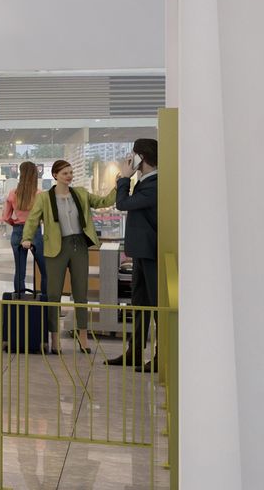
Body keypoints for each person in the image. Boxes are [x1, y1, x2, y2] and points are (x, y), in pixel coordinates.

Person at [20, 159, 99, 354]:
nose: (69, 176)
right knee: (54, 294)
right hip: (56, 247)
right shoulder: (45, 198)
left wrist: (119, 184)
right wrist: (27, 238)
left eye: (71, 172)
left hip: (79, 245)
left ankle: (83, 335)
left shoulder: (80, 193)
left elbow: (101, 201)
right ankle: (54, 337)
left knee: (81, 292)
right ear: (55, 175)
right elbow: (32, 220)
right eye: (65, 173)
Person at [106, 138, 159, 370]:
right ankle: (134, 352)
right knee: (139, 304)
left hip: (151, 253)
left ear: (141, 158)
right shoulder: (146, 182)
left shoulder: (155, 184)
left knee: (156, 306)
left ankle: (161, 356)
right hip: (140, 252)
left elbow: (122, 203)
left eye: (133, 155)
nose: (130, 159)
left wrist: (124, 177)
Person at [2, 161, 46, 294]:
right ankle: (45, 303)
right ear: (34, 175)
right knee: (45, 271)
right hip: (35, 233)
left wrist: (15, 223)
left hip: (17, 231)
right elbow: (45, 217)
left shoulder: (12, 193)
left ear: (20, 174)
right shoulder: (40, 194)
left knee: (20, 271)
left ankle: (20, 304)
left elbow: (5, 217)